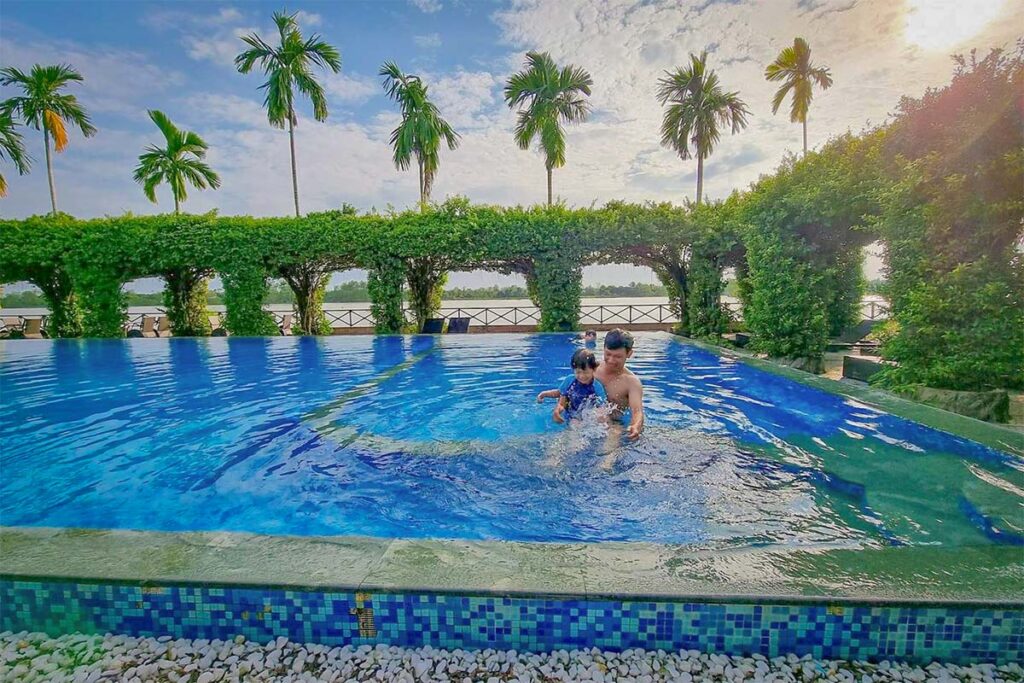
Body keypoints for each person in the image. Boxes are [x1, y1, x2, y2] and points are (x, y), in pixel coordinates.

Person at [594, 329, 644, 468]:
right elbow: (569, 391)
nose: (610, 360)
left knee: (615, 432)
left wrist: (635, 426)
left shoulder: (631, 382)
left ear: (629, 354)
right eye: (607, 354)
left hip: (615, 423)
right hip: (588, 419)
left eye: (617, 356)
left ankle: (606, 465)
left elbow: (637, 411)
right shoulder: (592, 369)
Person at [536, 348, 607, 423]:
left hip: (587, 417)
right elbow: (559, 392)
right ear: (573, 370)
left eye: (585, 372)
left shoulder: (596, 386)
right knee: (574, 422)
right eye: (578, 372)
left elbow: (603, 405)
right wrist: (544, 394)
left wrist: (600, 414)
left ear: (594, 369)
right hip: (571, 415)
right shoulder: (570, 380)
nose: (582, 376)